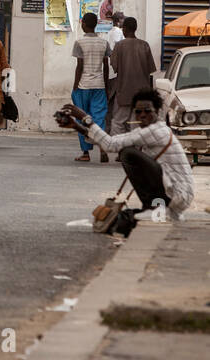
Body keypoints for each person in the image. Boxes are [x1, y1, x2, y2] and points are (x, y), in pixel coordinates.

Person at [58, 90, 196, 221]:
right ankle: (165, 212)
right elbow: (111, 140)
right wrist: (76, 126)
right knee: (128, 152)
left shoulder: (156, 131)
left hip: (179, 195)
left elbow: (110, 144)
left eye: (147, 111)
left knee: (128, 154)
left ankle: (154, 207)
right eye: (138, 112)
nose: (142, 115)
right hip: (179, 194)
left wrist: (85, 118)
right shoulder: (150, 130)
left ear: (158, 112)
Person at [71, 12, 111, 162]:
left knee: (82, 118)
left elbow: (79, 66)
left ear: (84, 25)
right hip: (99, 85)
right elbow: (106, 66)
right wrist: (106, 86)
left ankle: (86, 153)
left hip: (83, 86)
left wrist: (75, 86)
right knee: (99, 118)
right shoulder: (104, 43)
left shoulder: (79, 42)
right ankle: (102, 147)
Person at [109, 17, 156, 136]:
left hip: (124, 92)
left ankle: (122, 148)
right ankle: (136, 148)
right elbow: (150, 70)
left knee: (117, 123)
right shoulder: (145, 45)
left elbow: (115, 67)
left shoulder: (119, 46)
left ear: (124, 29)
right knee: (137, 123)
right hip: (142, 94)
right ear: (135, 29)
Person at [105, 11, 126, 125]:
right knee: (114, 99)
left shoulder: (111, 32)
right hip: (115, 72)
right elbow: (118, 50)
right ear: (118, 21)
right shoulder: (117, 32)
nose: (124, 22)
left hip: (112, 71)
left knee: (111, 99)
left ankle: (110, 123)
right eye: (122, 20)